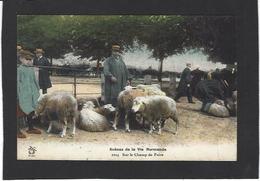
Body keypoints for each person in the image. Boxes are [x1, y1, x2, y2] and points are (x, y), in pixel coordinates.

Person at [17, 50, 41, 138]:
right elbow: (17, 83)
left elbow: (35, 81)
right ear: (21, 59)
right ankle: (17, 130)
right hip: (22, 94)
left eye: (31, 60)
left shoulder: (31, 69)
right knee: (19, 111)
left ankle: (30, 128)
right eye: (27, 59)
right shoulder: (19, 70)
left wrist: (37, 90)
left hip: (31, 93)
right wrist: (17, 94)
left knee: (31, 110)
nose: (29, 61)